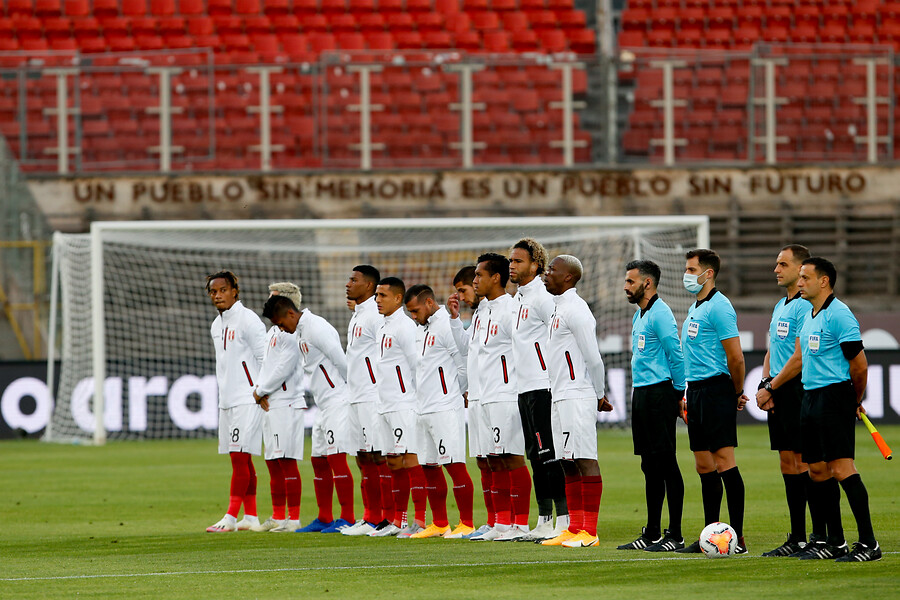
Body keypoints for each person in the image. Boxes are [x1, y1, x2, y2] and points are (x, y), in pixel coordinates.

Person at [767, 257, 880, 561]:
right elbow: (800, 356)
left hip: (834, 397)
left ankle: (869, 544)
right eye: (800, 277)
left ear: (824, 281)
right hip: (810, 397)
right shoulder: (810, 315)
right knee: (816, 471)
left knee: (842, 469)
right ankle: (835, 542)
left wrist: (854, 400)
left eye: (805, 278)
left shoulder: (840, 315)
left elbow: (859, 366)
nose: (800, 282)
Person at [675, 249, 749, 555]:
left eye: (692, 269)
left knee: (723, 462)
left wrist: (735, 392)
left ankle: (738, 538)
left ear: (708, 274)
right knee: (703, 464)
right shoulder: (696, 307)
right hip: (697, 392)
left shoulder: (720, 307)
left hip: (717, 389)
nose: (687, 275)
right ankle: (711, 538)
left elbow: (736, 357)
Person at [268, 295, 356, 534]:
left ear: (290, 314)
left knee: (337, 458)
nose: (281, 329)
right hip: (323, 404)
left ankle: (347, 517)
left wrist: (352, 393)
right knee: (318, 460)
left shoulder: (316, 327)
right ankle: (325, 517)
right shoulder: (300, 330)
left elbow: (341, 360)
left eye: (280, 323)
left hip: (338, 399)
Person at [541, 255, 612, 548]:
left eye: (552, 270)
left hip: (577, 393)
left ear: (568, 277)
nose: (546, 274)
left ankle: (590, 532)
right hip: (559, 395)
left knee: (584, 459)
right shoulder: (557, 309)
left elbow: (593, 357)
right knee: (567, 462)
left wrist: (599, 393)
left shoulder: (577, 309)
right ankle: (574, 527)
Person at [618, 260, 686, 552]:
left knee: (666, 462)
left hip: (660, 393)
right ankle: (653, 532)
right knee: (649, 465)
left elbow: (677, 355)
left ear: (647, 283)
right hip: (642, 394)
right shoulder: (640, 316)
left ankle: (676, 534)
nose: (625, 287)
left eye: (631, 282)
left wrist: (677, 394)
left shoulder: (661, 314)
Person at [508, 238, 569, 541]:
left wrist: (551, 377)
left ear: (535, 265)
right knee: (535, 456)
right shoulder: (519, 299)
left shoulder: (544, 298)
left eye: (518, 261)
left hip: (543, 387)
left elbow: (556, 337)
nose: (512, 266)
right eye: (511, 261)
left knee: (549, 455)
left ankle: (564, 519)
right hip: (524, 388)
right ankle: (544, 519)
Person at [754, 245, 813, 556]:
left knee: (805, 462)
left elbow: (798, 358)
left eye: (783, 264)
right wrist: (766, 384)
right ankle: (798, 536)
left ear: (801, 269)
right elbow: (771, 350)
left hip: (797, 390)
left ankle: (816, 536)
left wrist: (772, 387)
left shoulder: (806, 307)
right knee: (787, 463)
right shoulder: (780, 305)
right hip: (778, 390)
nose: (776, 269)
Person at [404, 284, 476, 539]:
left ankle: (466, 523)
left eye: (415, 311)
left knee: (454, 465)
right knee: (429, 466)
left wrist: (452, 394)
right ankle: (440, 523)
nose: (413, 316)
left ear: (429, 303)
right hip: (422, 408)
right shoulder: (420, 330)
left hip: (445, 408)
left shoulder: (446, 324)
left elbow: (464, 365)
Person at [470, 253, 532, 542]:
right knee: (493, 459)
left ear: (495, 277)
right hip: (483, 396)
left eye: (478, 275)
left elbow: (523, 351)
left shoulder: (510, 309)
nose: (474, 281)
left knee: (512, 458)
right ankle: (501, 522)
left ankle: (519, 524)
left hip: (505, 395)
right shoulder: (482, 311)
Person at [205, 271, 266, 533]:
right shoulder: (216, 325)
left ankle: (230, 516)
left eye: (222, 290)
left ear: (234, 291)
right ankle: (250, 516)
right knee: (241, 458)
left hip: (247, 399)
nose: (217, 295)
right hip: (227, 400)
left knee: (240, 457)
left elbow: (265, 357)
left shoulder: (248, 319)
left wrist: (262, 391)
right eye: (213, 291)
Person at [370, 277, 428, 538]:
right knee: (393, 462)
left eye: (383, 295)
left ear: (397, 298)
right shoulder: (382, 326)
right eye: (377, 295)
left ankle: (419, 520)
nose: (378, 300)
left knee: (409, 458)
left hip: (404, 403)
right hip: (385, 403)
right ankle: (396, 519)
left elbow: (417, 365)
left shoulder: (405, 326)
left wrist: (414, 398)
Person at [341, 265, 394, 537]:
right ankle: (370, 517)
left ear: (370, 286)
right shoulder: (359, 314)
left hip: (373, 396)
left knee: (379, 456)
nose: (348, 284)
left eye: (354, 280)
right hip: (356, 396)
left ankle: (388, 517)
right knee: (363, 457)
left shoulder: (375, 315)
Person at [251, 282, 306, 532]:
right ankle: (277, 515)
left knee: (286, 461)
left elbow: (284, 367)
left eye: (272, 299)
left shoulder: (292, 333)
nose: (268, 303)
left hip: (287, 403)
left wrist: (260, 391)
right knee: (272, 461)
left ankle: (293, 518)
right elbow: (266, 365)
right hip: (271, 404)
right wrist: (259, 390)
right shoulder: (273, 331)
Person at [450, 266, 495, 539]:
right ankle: (494, 522)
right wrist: (456, 320)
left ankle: (511, 522)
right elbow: (468, 351)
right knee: (484, 460)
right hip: (478, 396)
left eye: (464, 290)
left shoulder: (504, 309)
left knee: (504, 459)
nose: (463, 296)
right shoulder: (478, 314)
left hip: (499, 395)